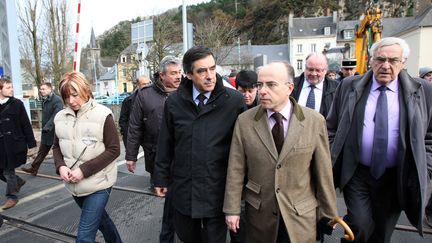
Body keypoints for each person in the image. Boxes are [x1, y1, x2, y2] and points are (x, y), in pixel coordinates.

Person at [327, 37, 432, 243]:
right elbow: (331, 127)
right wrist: (334, 154)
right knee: (358, 224)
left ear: (403, 63)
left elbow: (430, 135)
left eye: (393, 60)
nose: (385, 65)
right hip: (357, 173)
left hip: (397, 177)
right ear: (370, 60)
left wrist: (426, 165)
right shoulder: (349, 85)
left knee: (383, 232)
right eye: (380, 59)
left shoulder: (423, 90)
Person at [223, 61, 338, 243]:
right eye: (259, 85)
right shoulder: (244, 121)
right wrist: (232, 209)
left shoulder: (314, 121)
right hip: (260, 214)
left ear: (289, 88)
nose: (262, 91)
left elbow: (323, 172)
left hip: (300, 214)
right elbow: (236, 169)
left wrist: (329, 213)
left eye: (271, 85)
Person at [154, 46, 246, 243]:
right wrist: (160, 178)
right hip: (184, 188)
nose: (210, 76)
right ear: (188, 74)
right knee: (187, 236)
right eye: (202, 71)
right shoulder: (175, 103)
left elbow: (244, 149)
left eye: (212, 69)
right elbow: (166, 143)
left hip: (218, 189)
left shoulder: (234, 102)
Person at [53, 72, 122, 243]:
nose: (71, 101)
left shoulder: (103, 114)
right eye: (66, 96)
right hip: (73, 184)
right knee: (102, 222)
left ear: (85, 90)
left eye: (75, 95)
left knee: (84, 235)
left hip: (100, 183)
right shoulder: (59, 117)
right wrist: (60, 166)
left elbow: (114, 150)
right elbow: (56, 146)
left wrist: (84, 170)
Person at [125, 55, 182, 243]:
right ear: (161, 75)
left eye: (180, 72)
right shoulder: (144, 95)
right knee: (169, 199)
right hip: (157, 156)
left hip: (183, 156)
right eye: (173, 73)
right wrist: (131, 155)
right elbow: (134, 127)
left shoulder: (187, 92)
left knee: (175, 202)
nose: (178, 76)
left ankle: (171, 236)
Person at [0, 77, 36, 209]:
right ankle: (18, 181)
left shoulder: (17, 104)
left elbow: (25, 124)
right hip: (1, 146)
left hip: (13, 144)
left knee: (9, 171)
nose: (11, 90)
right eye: (8, 87)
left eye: (11, 87)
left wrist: (31, 143)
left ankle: (12, 196)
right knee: (3, 171)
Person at [21, 82, 63, 175]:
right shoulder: (45, 99)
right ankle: (34, 168)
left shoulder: (57, 100)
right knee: (42, 150)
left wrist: (48, 126)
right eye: (41, 89)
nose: (41, 91)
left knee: (60, 151)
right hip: (47, 131)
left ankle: (64, 170)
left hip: (55, 131)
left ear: (50, 89)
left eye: (43, 89)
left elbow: (56, 115)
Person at [291, 53, 339, 118]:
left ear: (325, 70)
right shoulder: (291, 85)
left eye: (318, 70)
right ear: (305, 68)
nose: (313, 74)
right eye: (310, 69)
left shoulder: (336, 89)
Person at [118, 75, 152, 147]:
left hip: (148, 136)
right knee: (131, 156)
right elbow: (123, 120)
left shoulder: (154, 99)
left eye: (149, 83)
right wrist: (127, 132)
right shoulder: (128, 101)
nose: (147, 86)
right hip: (132, 134)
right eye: (144, 84)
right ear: (138, 85)